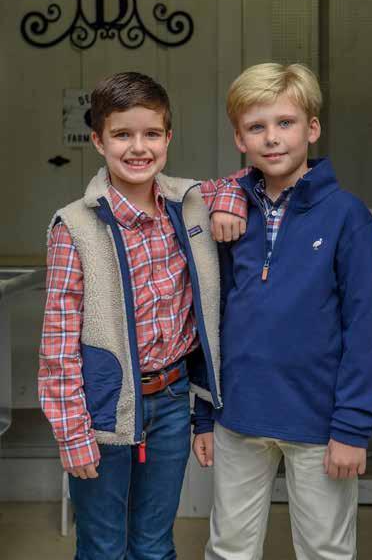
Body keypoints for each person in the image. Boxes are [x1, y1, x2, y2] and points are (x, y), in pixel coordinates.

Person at [38, 71, 247, 560]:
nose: (138, 147)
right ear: (98, 141)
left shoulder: (190, 204)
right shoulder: (74, 226)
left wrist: (230, 203)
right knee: (103, 546)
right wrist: (72, 434)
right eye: (122, 135)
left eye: (151, 133)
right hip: (103, 410)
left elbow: (244, 181)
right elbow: (58, 343)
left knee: (154, 544)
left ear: (168, 138)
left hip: (172, 400)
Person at [193, 63, 372, 560]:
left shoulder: (347, 216)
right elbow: (210, 316)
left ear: (312, 129)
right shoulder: (229, 215)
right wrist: (204, 415)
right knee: (229, 547)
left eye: (285, 123)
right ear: (240, 138)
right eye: (256, 127)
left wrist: (352, 428)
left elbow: (363, 329)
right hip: (238, 414)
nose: (272, 138)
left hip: (319, 421)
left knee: (325, 549)